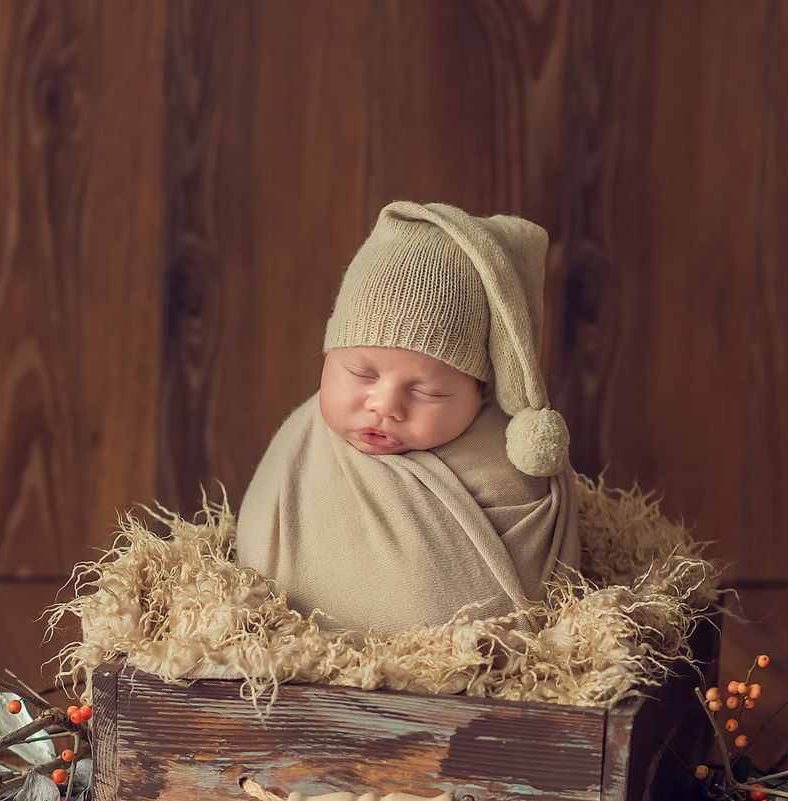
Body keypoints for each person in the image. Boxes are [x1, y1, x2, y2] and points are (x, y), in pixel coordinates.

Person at [235, 200, 579, 636]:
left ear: (479, 392)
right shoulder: (300, 442)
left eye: (427, 391)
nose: (385, 405)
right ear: (328, 357)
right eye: (361, 373)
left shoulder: (505, 464)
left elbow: (525, 594)